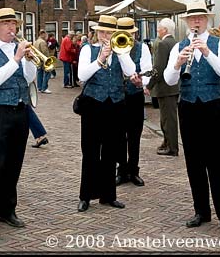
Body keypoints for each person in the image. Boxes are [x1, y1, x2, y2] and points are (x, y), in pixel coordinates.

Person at [163, 0, 220, 236]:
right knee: (194, 163)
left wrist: (207, 53)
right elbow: (169, 80)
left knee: (219, 163)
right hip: (188, 107)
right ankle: (201, 211)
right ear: (186, 22)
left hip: (212, 105)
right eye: (192, 19)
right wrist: (177, 63)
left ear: (207, 20)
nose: (196, 22)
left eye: (200, 18)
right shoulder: (179, 46)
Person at [0, 7, 37, 234]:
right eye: (7, 23)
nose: (12, 28)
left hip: (20, 109)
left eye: (14, 23)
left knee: (14, 162)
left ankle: (8, 209)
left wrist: (29, 61)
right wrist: (17, 57)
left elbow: (29, 78)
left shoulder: (17, 48)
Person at [76, 15, 136, 213]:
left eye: (109, 32)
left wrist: (121, 52)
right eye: (102, 32)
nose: (105, 36)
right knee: (91, 151)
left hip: (115, 105)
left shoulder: (121, 49)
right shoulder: (88, 49)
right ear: (96, 33)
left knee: (112, 151)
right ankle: (85, 196)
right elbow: (82, 75)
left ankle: (108, 196)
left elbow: (130, 71)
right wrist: (100, 58)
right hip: (94, 104)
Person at [116, 17, 152, 187]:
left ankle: (133, 170)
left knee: (134, 135)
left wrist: (141, 81)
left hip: (134, 96)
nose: (128, 37)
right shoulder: (113, 47)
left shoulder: (142, 48)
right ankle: (121, 170)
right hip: (117, 98)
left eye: (130, 34)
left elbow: (148, 72)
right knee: (119, 136)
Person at [147, 18, 180, 157]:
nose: (158, 30)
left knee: (167, 119)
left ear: (165, 30)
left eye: (159, 28)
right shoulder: (175, 43)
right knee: (168, 117)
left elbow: (158, 68)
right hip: (173, 87)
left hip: (165, 87)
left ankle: (171, 146)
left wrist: (149, 85)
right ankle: (167, 142)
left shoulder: (162, 44)